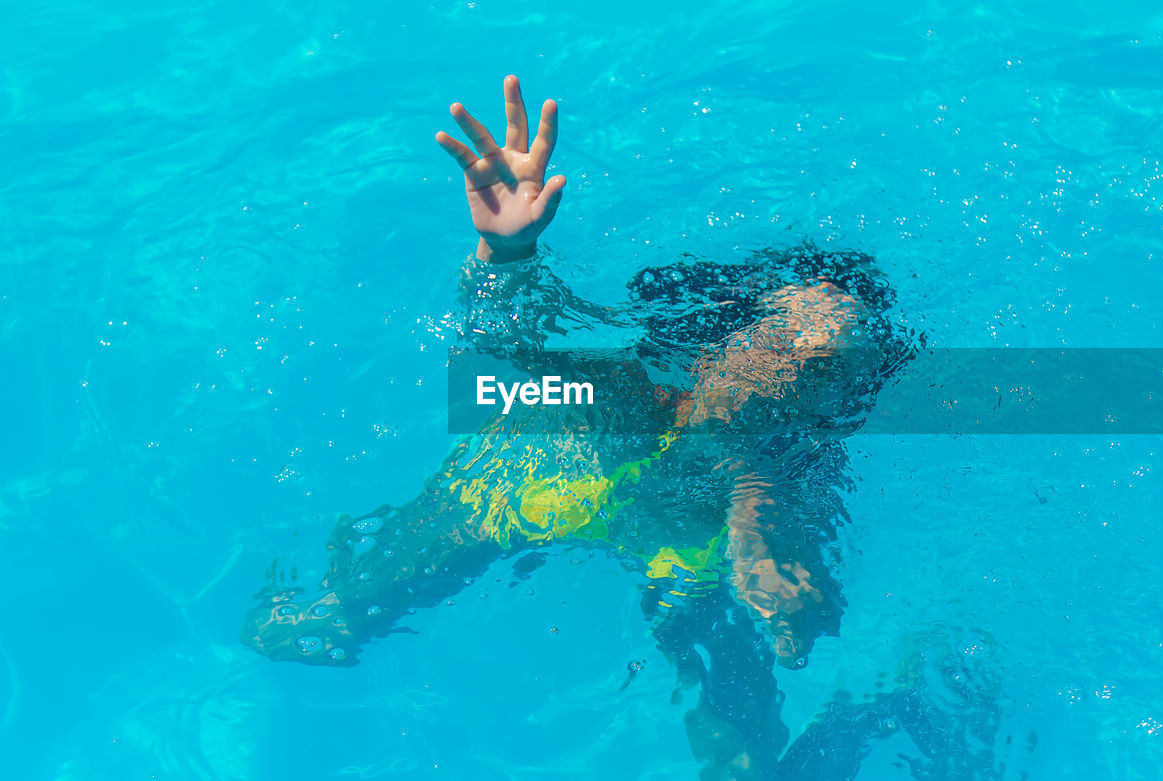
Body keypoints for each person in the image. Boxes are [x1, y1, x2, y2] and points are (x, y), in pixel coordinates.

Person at [242, 76, 925, 780]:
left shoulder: (802, 457)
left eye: (824, 371)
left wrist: (782, 589)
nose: (798, 376)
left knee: (748, 766)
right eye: (790, 347)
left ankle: (869, 714)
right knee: (322, 623)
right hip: (557, 475)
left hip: (684, 543)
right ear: (723, 342)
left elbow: (782, 555)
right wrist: (507, 257)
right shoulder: (637, 391)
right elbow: (513, 348)